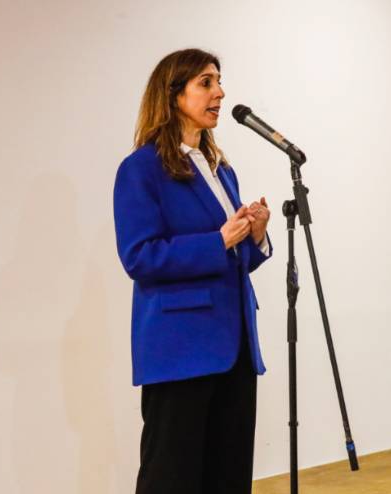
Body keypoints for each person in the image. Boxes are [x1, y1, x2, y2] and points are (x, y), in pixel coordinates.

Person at [113, 48, 273, 494]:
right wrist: (218, 240)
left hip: (234, 346)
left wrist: (254, 236)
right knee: (172, 478)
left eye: (219, 82)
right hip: (180, 349)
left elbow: (234, 260)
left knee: (229, 475)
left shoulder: (221, 170)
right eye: (206, 83)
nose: (219, 93)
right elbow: (139, 256)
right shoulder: (141, 169)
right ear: (173, 94)